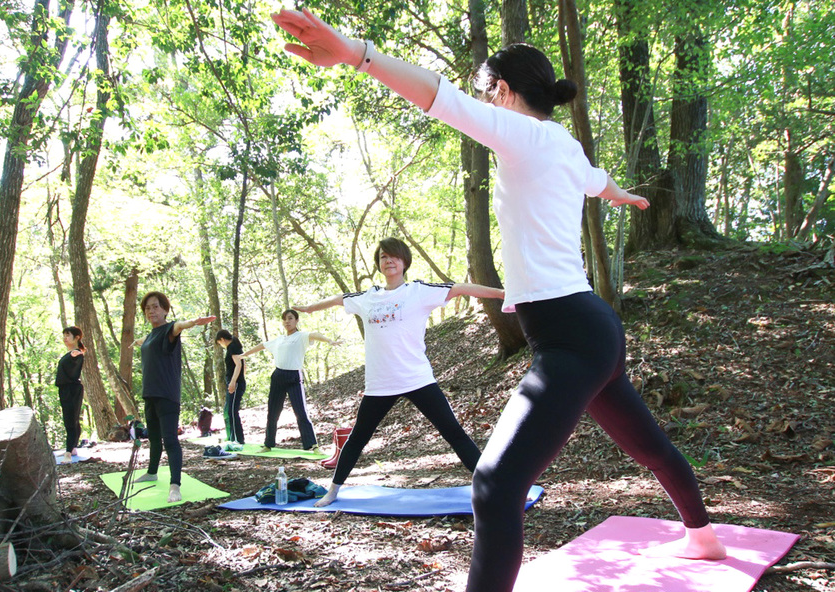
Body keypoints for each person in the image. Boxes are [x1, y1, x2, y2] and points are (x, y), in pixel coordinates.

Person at [271, 9, 727, 591]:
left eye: (490, 93)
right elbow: (597, 179)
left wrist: (358, 55)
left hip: (569, 337)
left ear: (504, 92)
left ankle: (698, 536)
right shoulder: (563, 144)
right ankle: (702, 537)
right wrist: (619, 194)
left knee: (493, 485)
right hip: (594, 332)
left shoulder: (524, 132)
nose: (485, 104)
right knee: (651, 447)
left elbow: (440, 97)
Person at [293, 238, 503, 508]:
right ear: (378, 264)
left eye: (393, 256)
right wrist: (310, 308)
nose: (388, 261)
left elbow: (461, 288)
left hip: (417, 379)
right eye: (382, 257)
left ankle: (493, 487)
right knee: (357, 438)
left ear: (404, 261)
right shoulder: (367, 297)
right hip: (380, 384)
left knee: (453, 432)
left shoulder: (418, 291)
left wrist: (500, 294)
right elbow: (338, 299)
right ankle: (333, 491)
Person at [133, 291, 215, 503]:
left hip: (167, 394)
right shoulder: (150, 335)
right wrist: (136, 342)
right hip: (150, 394)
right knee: (153, 437)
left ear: (165, 309)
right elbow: (145, 341)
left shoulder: (169, 329)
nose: (151, 311)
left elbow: (178, 326)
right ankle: (152, 472)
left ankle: (175, 485)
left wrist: (192, 323)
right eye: (147, 308)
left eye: (156, 306)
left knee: (169, 439)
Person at [236, 310, 338, 453]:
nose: (287, 321)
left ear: (296, 320)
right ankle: (268, 444)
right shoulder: (279, 339)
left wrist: (329, 340)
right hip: (278, 376)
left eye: (290, 318)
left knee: (301, 412)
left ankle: (313, 446)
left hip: (294, 377)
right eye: (284, 319)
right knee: (273, 412)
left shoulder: (301, 336)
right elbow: (262, 345)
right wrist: (245, 355)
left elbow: (315, 335)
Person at [55, 326, 85, 464]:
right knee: (71, 419)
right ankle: (72, 448)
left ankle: (68, 453)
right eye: (64, 335)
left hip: (72, 389)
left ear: (77, 337)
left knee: (70, 420)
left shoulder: (76, 353)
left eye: (68, 335)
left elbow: (75, 362)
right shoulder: (70, 353)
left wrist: (75, 355)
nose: (65, 338)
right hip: (65, 389)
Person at [214, 329, 246, 445]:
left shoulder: (232, 347)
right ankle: (232, 436)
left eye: (220, 343)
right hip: (235, 382)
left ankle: (237, 439)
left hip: (236, 383)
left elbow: (239, 364)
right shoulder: (234, 344)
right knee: (229, 410)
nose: (221, 345)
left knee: (232, 411)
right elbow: (243, 363)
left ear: (222, 339)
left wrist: (233, 382)